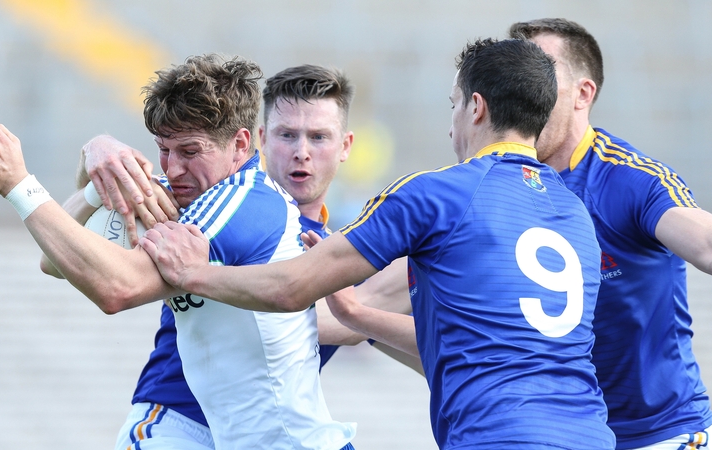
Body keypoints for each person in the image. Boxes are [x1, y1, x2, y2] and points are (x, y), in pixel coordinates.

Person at [138, 38, 617, 449]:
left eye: (452, 104)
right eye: (287, 134)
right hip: (592, 430)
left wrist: (193, 273)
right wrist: (359, 316)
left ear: (476, 107)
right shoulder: (575, 213)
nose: (451, 124)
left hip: (498, 433)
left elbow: (290, 289)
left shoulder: (438, 193)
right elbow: (477, 344)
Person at [0, 54, 356, 450]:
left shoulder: (245, 202)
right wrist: (98, 176)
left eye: (190, 152)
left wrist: (19, 186)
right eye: (164, 149)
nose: (173, 167)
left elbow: (117, 288)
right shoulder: (197, 193)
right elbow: (55, 260)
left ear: (241, 143)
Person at [508, 18, 712, 449]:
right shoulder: (497, 188)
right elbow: (376, 297)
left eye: (540, 73)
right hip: (568, 438)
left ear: (583, 94)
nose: (524, 89)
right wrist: (351, 314)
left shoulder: (631, 179)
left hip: (663, 436)